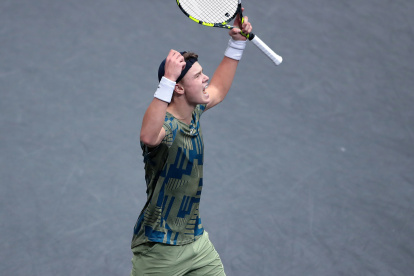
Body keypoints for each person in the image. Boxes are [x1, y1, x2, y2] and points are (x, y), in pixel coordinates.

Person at [130, 10, 253, 276]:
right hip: (159, 251)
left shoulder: (193, 114)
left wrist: (237, 43)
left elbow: (218, 89)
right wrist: (166, 81)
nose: (205, 78)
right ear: (179, 88)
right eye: (197, 76)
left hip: (196, 243)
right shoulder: (166, 130)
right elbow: (148, 136)